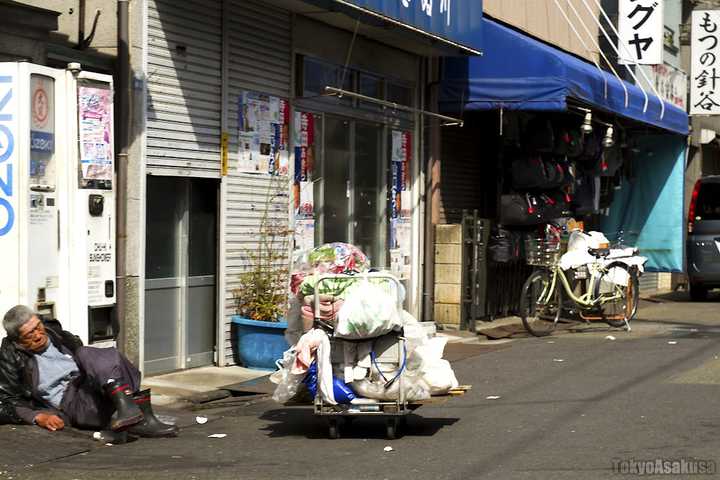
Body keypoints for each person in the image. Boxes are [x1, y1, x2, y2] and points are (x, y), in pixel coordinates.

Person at [0, 305, 177, 437]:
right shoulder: (11, 356)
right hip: (71, 401)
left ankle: (128, 410)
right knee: (102, 372)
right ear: (18, 340)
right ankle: (139, 415)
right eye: (30, 334)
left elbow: (93, 362)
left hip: (90, 382)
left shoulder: (59, 336)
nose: (38, 335)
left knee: (90, 353)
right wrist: (38, 416)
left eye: (38, 327)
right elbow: (7, 400)